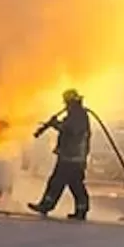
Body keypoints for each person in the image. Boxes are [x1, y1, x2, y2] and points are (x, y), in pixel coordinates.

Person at [28, 89, 92, 220]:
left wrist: (55, 124)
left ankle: (48, 205)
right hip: (70, 155)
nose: (65, 106)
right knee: (72, 183)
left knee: (60, 182)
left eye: (67, 102)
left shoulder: (78, 115)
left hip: (72, 157)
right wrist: (55, 124)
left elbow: (71, 130)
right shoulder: (75, 114)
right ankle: (79, 209)